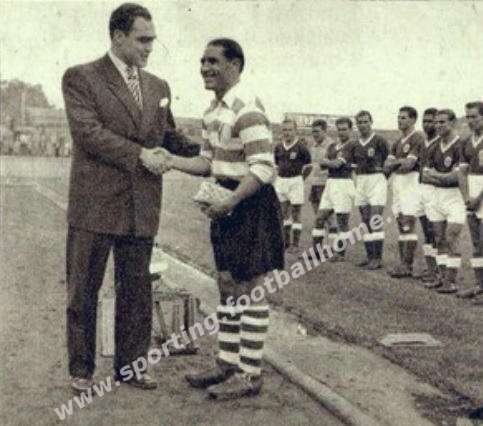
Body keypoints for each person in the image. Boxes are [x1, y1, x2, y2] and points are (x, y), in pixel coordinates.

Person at [62, 3, 199, 394]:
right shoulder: (81, 77)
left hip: (141, 205)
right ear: (118, 36)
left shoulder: (159, 86)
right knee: (83, 291)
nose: (150, 47)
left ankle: (131, 367)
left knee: (137, 292)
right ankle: (82, 370)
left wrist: (213, 147)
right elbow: (88, 133)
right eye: (142, 39)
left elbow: (168, 136)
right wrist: (140, 155)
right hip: (94, 205)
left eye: (152, 40)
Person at [162, 38, 284, 400]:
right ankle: (227, 363)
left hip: (250, 203)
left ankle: (250, 374)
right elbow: (207, 162)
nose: (205, 68)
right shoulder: (212, 112)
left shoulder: (247, 110)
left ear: (235, 65)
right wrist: (169, 160)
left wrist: (231, 200)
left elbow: (263, 168)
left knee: (251, 289)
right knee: (227, 284)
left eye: (213, 61)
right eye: (202, 61)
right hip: (226, 202)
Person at [422, 109, 466, 294]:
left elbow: (455, 178)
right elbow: (425, 175)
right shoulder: (433, 147)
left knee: (451, 237)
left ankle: (451, 281)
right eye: (436, 122)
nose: (438, 125)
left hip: (455, 196)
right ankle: (442, 278)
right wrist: (442, 177)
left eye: (442, 122)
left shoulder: (460, 145)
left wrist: (437, 175)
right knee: (439, 239)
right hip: (437, 196)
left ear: (453, 123)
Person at [306, 117, 355, 262]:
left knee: (342, 221)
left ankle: (340, 253)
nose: (341, 132)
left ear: (350, 130)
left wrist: (328, 162)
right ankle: (317, 252)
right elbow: (323, 164)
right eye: (339, 129)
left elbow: (336, 164)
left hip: (344, 183)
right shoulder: (334, 146)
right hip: (330, 183)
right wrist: (329, 162)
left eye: (344, 129)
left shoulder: (352, 145)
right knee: (319, 218)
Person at [384, 106, 425, 278]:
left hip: (412, 182)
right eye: (398, 117)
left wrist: (397, 163)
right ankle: (403, 264)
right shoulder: (397, 142)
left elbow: (409, 165)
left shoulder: (418, 138)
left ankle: (408, 265)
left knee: (408, 222)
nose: (400, 120)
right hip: (398, 183)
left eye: (404, 117)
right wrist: (399, 163)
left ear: (413, 119)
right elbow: (387, 165)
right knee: (400, 222)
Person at [349, 110, 389, 269]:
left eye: (365, 121)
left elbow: (388, 161)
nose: (363, 125)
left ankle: (377, 258)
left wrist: (384, 177)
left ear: (371, 122)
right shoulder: (354, 144)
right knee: (365, 220)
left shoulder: (379, 140)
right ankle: (369, 256)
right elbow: (353, 164)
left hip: (377, 180)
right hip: (361, 180)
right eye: (359, 122)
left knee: (375, 219)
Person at [456, 101, 483, 301]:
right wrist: (466, 197)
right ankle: (479, 286)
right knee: (476, 244)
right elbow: (462, 173)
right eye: (468, 117)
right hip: (470, 196)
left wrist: (478, 199)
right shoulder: (466, 142)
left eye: (474, 116)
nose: (470, 121)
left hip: (481, 196)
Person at [274, 119, 312, 254]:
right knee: (283, 213)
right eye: (284, 130)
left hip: (295, 181)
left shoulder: (301, 147)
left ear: (295, 131)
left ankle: (295, 244)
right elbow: (277, 164)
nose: (287, 132)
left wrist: (301, 179)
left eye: (290, 129)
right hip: (281, 181)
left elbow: (309, 166)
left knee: (296, 213)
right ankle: (286, 243)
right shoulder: (278, 147)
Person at [305, 119, 338, 251]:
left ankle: (333, 248)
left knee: (329, 218)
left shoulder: (331, 146)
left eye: (317, 131)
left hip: (326, 184)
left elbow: (335, 165)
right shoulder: (313, 146)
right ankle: (321, 248)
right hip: (315, 184)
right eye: (313, 132)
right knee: (318, 217)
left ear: (325, 131)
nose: (315, 134)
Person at [416, 108, 440, 282]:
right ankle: (431, 267)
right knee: (426, 231)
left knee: (436, 231)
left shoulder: (440, 143)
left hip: (436, 190)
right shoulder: (422, 142)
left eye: (431, 121)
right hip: (422, 189)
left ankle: (439, 269)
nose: (427, 124)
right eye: (425, 121)